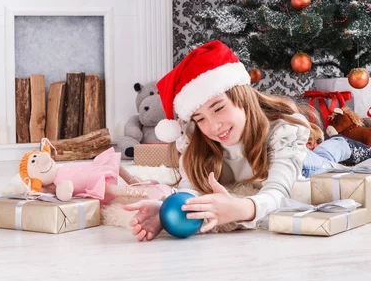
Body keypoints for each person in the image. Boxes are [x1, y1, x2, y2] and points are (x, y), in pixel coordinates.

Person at [123, 40, 371, 241]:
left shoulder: (282, 131)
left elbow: (277, 194)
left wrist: (241, 209)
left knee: (326, 160)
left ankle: (344, 143)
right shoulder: (195, 141)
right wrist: (166, 210)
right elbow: (192, 189)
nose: (213, 126)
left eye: (219, 108)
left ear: (241, 97)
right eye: (200, 118)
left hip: (303, 165)